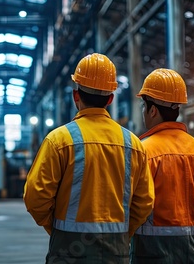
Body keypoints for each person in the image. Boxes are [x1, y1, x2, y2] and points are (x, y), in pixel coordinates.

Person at [23, 53, 155, 263]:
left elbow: (35, 197)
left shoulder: (59, 141)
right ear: (110, 99)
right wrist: (121, 232)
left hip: (68, 251)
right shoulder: (133, 144)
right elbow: (144, 202)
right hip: (116, 251)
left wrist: (56, 227)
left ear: (76, 96)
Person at [131, 68, 194, 263]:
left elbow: (130, 205)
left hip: (150, 256)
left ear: (152, 110)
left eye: (143, 106)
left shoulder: (142, 153)